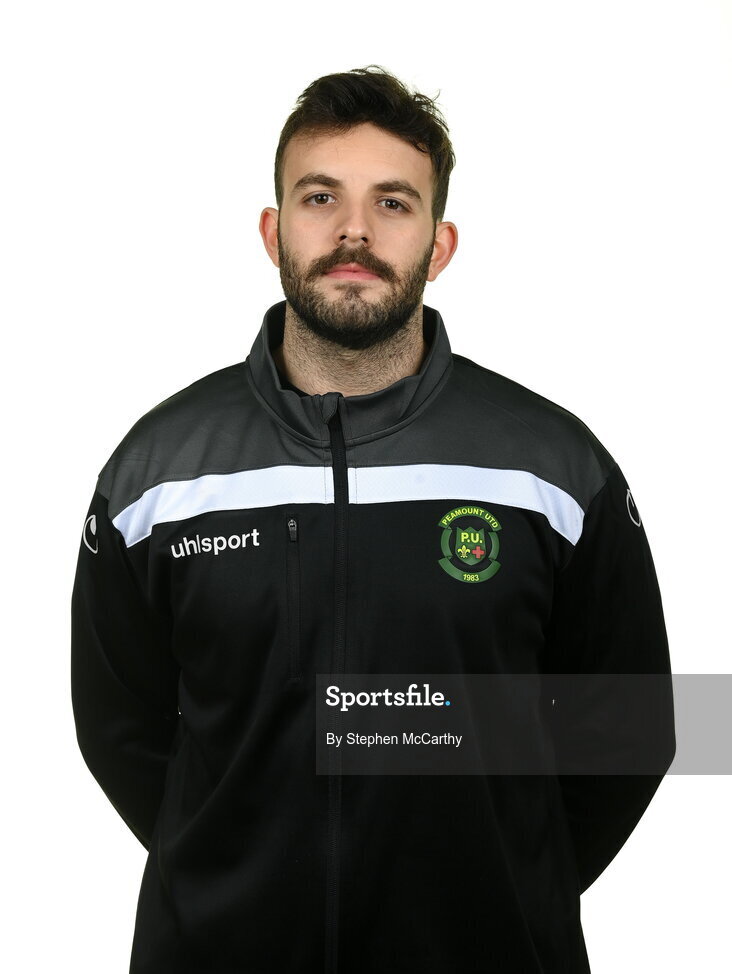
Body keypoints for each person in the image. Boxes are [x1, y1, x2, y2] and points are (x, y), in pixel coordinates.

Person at [71, 65, 676, 974]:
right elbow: (118, 726)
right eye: (322, 196)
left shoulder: (553, 467)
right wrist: (233, 880)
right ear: (275, 230)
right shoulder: (157, 473)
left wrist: (508, 884)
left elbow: (630, 726)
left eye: (394, 202)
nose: (354, 229)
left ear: (439, 244)